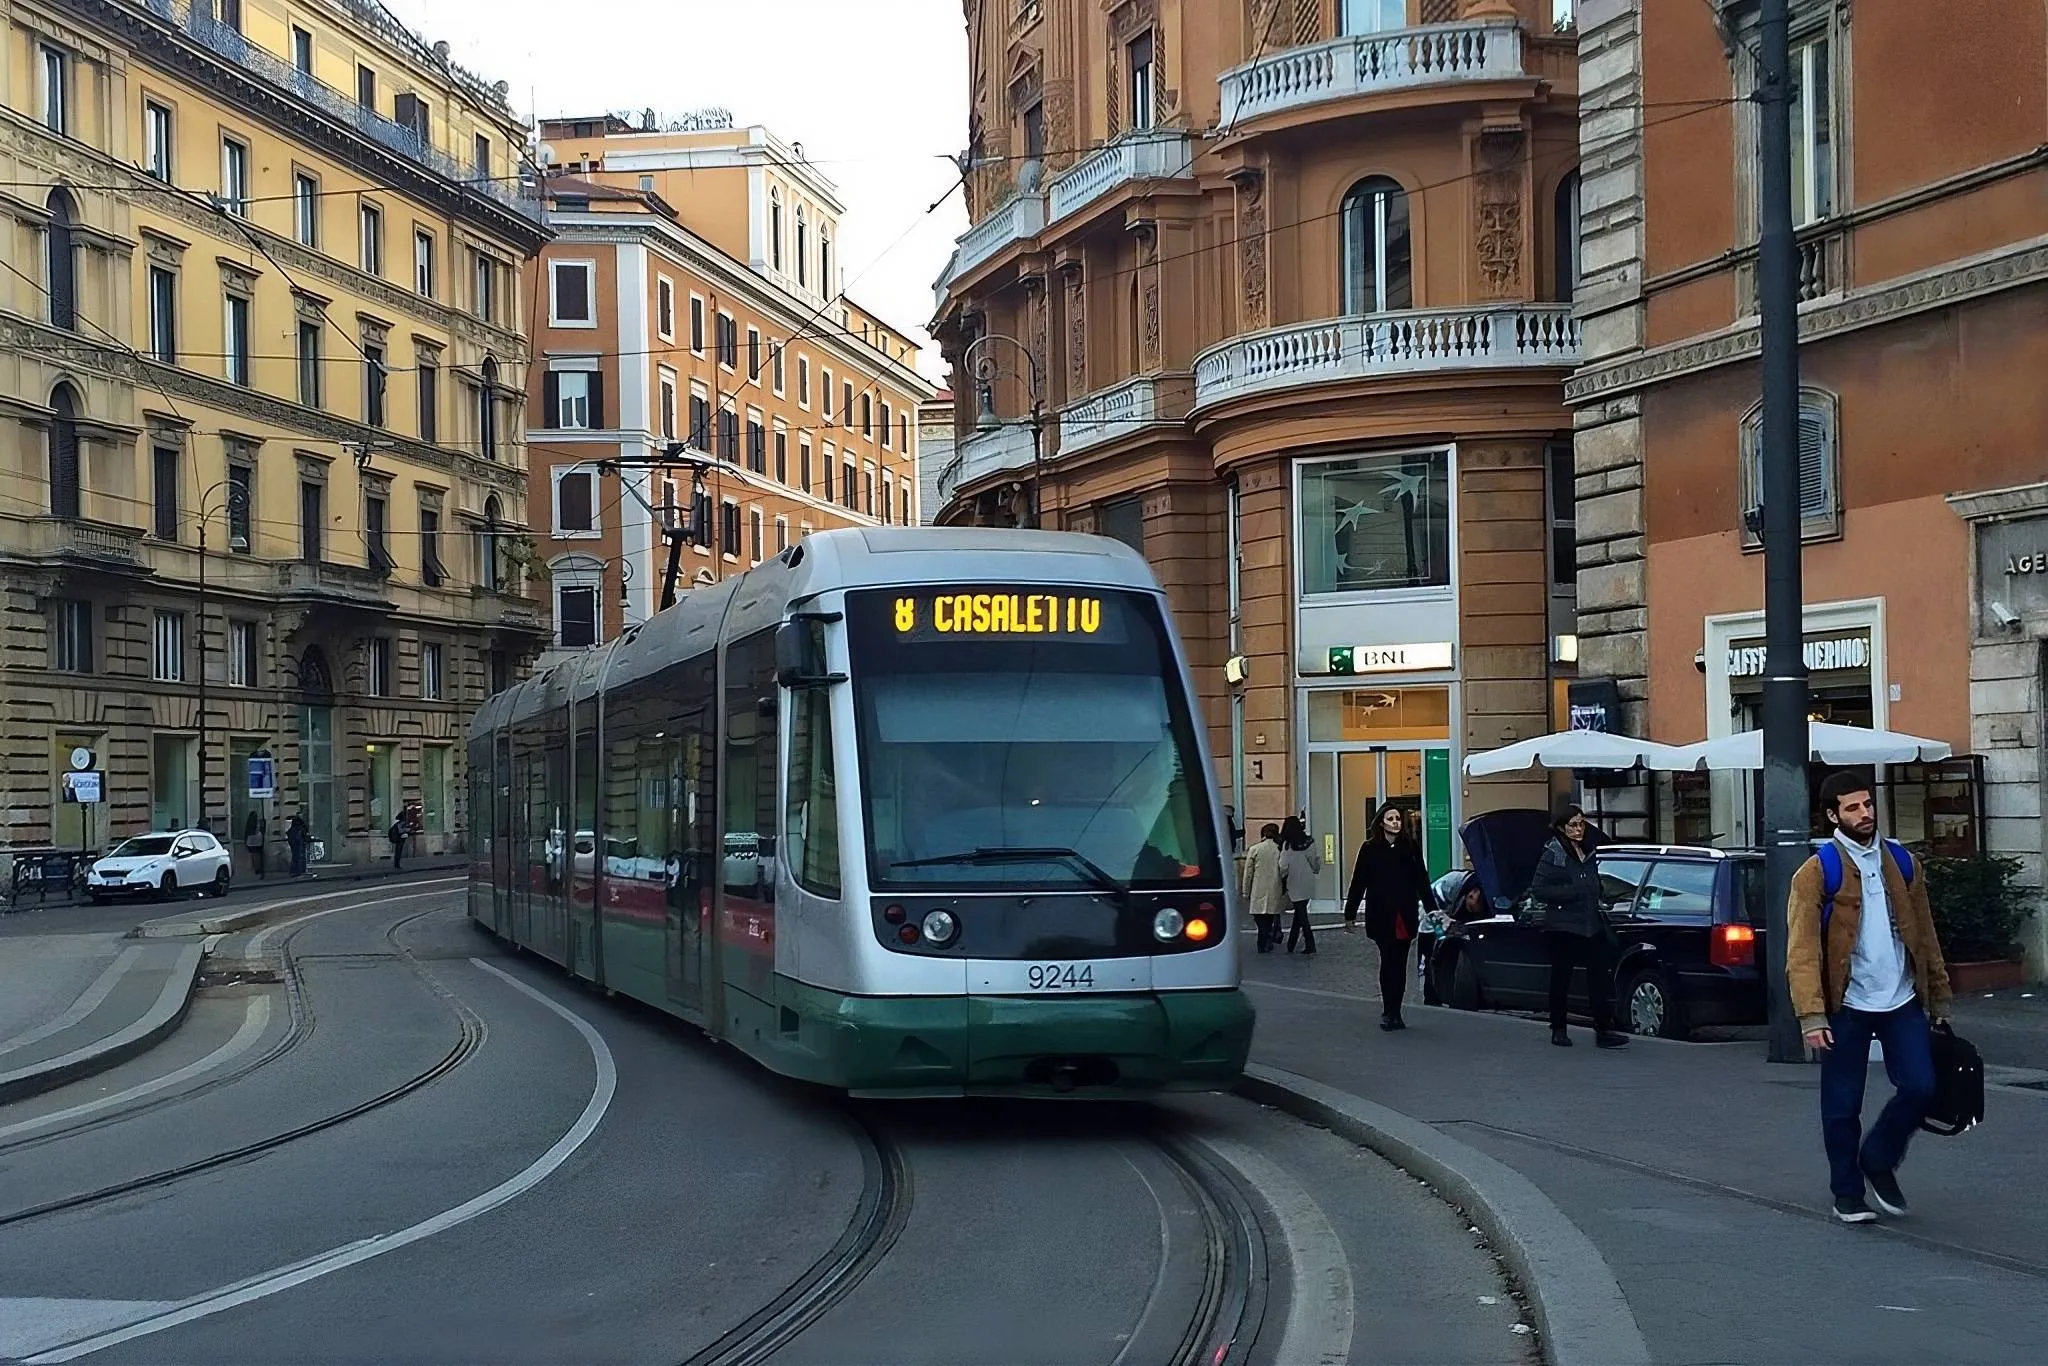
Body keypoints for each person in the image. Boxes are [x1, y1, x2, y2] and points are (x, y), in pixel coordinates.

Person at [1788, 771, 1952, 1225]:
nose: (1865, 814)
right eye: (1853, 807)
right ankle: (1847, 1192)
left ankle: (1878, 1158)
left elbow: (1925, 933)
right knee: (1842, 1105)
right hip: (1847, 1007)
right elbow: (1800, 951)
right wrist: (1811, 1015)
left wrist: (1938, 995)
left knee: (1922, 1086)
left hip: (1901, 999)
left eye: (1868, 804)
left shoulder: (1901, 862)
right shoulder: (1818, 872)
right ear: (1832, 815)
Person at [1529, 801, 1629, 1049]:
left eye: (1581, 823)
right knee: (1561, 978)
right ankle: (1559, 1028)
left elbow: (1593, 881)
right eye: (1573, 825)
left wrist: (1602, 892)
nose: (1578, 829)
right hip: (1563, 926)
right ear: (1562, 828)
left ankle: (1604, 1029)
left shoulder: (1589, 850)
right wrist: (1571, 892)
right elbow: (1539, 889)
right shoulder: (1554, 853)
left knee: (1599, 977)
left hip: (1590, 923)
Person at [1343, 803, 1436, 1031]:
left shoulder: (1410, 847)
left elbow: (1421, 880)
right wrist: (1350, 912)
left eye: (1398, 818)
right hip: (1381, 914)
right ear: (1381, 822)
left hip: (1404, 913)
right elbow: (1359, 881)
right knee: (1387, 962)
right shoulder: (1370, 848)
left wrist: (1432, 908)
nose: (1395, 822)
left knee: (1401, 964)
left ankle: (1396, 1011)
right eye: (1390, 818)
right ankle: (1388, 1010)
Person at [1278, 816, 1321, 955]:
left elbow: (1283, 866)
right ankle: (1291, 944)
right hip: (1307, 881)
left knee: (1301, 915)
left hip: (1294, 881)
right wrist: (1315, 869)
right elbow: (1314, 861)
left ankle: (1310, 943)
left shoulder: (1287, 845)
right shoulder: (1309, 842)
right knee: (1299, 913)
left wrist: (1281, 877)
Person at [1241, 822, 1286, 953]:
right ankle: (1266, 938)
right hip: (1274, 888)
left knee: (1259, 918)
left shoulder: (1255, 849)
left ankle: (1263, 939)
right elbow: (1283, 870)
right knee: (1270, 916)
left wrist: (1245, 892)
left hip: (1258, 889)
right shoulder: (1279, 849)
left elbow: (1248, 873)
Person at [243, 808, 266, 879]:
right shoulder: (257, 823)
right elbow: (261, 831)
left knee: (254, 856)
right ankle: (258, 870)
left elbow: (246, 833)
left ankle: (256, 869)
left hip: (251, 842)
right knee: (258, 856)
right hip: (258, 842)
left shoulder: (249, 823)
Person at [286, 812, 310, 878]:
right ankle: (298, 871)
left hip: (293, 841)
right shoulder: (299, 823)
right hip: (297, 841)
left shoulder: (295, 823)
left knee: (295, 856)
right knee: (298, 856)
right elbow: (304, 830)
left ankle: (294, 871)